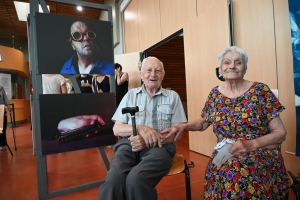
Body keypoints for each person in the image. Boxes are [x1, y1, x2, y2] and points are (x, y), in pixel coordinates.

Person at [162, 46, 291, 199]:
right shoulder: (215, 94)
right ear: (220, 69)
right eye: (227, 62)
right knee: (219, 167)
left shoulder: (260, 91)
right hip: (225, 152)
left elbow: (280, 133)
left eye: (238, 62)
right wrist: (183, 126)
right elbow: (204, 123)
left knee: (236, 170)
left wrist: (251, 144)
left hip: (259, 150)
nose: (232, 66)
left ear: (245, 68)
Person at [99, 57, 187, 200]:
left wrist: (149, 140)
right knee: (113, 181)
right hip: (130, 144)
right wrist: (140, 128)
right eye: (148, 70)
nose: (153, 74)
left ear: (163, 75)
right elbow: (117, 129)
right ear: (141, 74)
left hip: (161, 147)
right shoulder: (130, 95)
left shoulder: (173, 97)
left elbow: (178, 133)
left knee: (136, 180)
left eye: (158, 71)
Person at [0, 86, 11, 150]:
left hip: (2, 110)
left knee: (3, 128)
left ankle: (3, 144)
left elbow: (5, 98)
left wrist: (8, 105)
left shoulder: (1, 88)